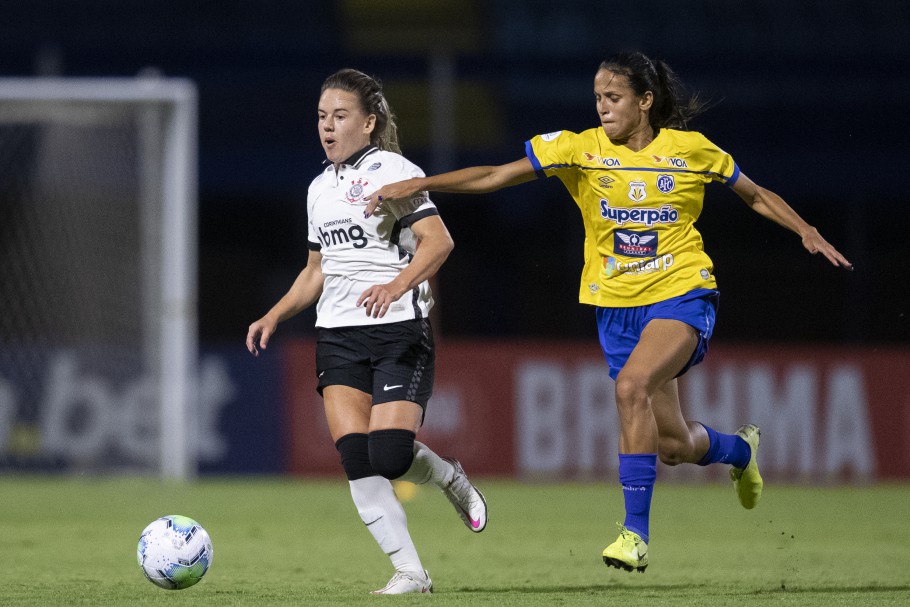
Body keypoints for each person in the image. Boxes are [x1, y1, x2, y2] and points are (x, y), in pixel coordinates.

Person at [364, 52, 853, 574]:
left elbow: (754, 195)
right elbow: (495, 175)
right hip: (616, 306)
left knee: (630, 388)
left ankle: (634, 536)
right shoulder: (580, 150)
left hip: (683, 292)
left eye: (613, 97)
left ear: (645, 102)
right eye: (598, 97)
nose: (602, 107)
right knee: (673, 445)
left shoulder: (691, 151)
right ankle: (739, 452)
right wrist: (421, 184)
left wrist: (805, 229)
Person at [246, 68, 488, 595]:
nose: (327, 127)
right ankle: (410, 573)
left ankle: (449, 477)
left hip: (399, 329)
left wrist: (397, 286)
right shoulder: (317, 189)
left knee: (391, 455)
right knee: (358, 458)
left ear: (369, 122)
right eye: (321, 117)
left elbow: (438, 242)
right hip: (337, 334)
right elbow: (316, 271)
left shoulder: (393, 171)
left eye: (339, 116)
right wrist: (274, 314)